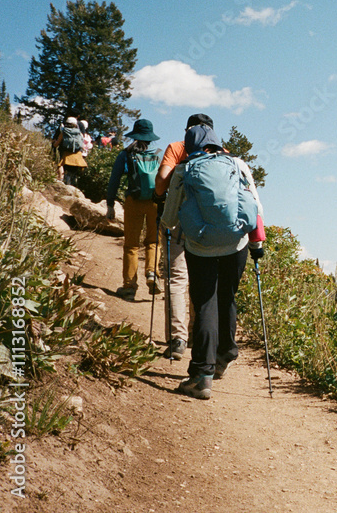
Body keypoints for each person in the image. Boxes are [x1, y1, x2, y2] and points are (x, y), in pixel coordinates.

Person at [161, 124, 264, 400]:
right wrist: (256, 244)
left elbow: (170, 219)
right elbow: (255, 206)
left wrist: (168, 223)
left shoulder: (184, 170)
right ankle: (226, 352)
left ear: (190, 145)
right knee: (227, 297)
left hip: (201, 246)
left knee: (205, 302)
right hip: (236, 245)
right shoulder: (237, 164)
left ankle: (202, 376)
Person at [152, 113, 214, 359]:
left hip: (178, 221)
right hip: (209, 226)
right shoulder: (223, 154)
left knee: (177, 278)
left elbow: (160, 184)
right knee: (203, 279)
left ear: (187, 130)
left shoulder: (177, 148)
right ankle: (197, 333)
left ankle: (178, 338)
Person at [105, 119, 162, 301]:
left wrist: (110, 204)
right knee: (153, 242)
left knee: (131, 245)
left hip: (133, 200)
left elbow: (114, 180)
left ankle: (129, 286)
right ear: (151, 137)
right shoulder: (160, 154)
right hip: (155, 202)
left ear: (135, 135)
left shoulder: (126, 154)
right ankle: (152, 273)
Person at [52, 116, 87, 186]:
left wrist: (54, 143)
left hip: (66, 155)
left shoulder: (63, 132)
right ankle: (74, 188)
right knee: (73, 174)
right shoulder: (79, 133)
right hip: (77, 155)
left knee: (66, 173)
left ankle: (65, 185)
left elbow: (56, 144)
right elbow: (82, 145)